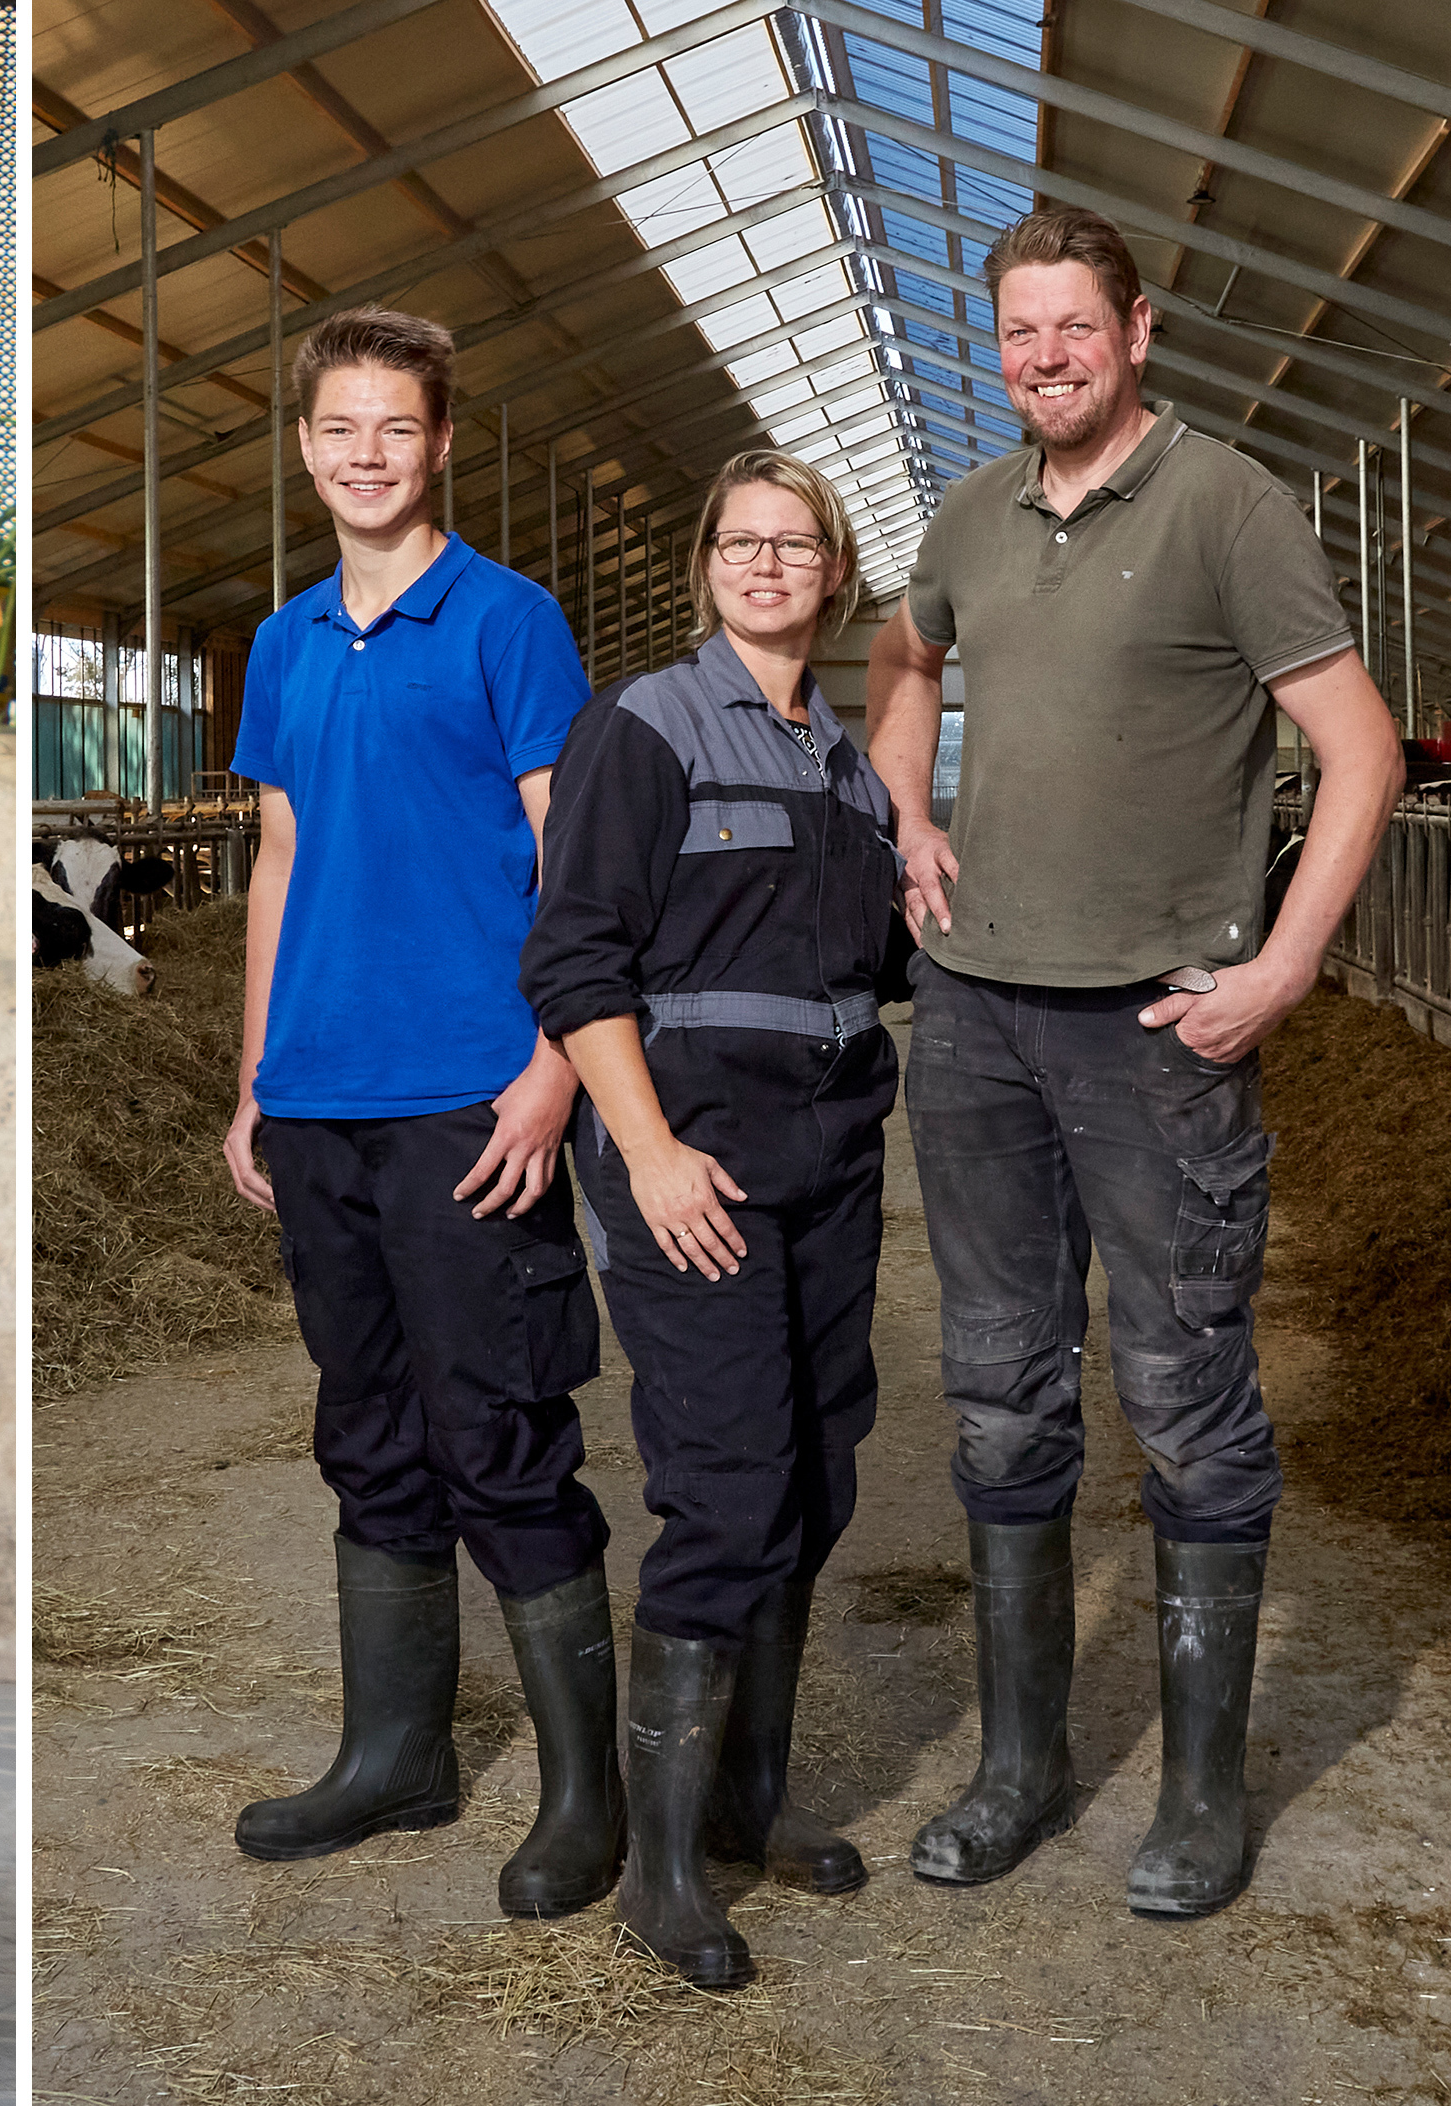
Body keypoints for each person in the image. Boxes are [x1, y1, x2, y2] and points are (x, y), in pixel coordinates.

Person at [863, 205, 1403, 1917]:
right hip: (970, 1022)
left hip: (1154, 1027)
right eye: (1015, 334)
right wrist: (902, 816)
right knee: (1001, 1386)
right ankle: (1017, 1768)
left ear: (1136, 329)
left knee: (1181, 1397)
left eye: (1069, 331)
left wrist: (1288, 962)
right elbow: (897, 660)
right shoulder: (966, 514)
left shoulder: (1225, 506)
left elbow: (1359, 746)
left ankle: (1194, 1795)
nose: (1041, 359)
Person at [218, 306, 615, 1919]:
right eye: (338, 428)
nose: (365, 453)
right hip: (320, 1099)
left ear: (440, 441)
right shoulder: (284, 638)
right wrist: (253, 1080)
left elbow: (574, 864)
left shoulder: (505, 622)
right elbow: (276, 855)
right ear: (302, 445)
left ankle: (587, 1790)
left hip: (470, 1093)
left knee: (497, 1431)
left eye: (395, 427)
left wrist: (552, 1068)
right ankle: (396, 1751)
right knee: (365, 1428)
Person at [521, 452, 899, 1990]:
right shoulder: (646, 726)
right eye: (740, 541)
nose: (764, 563)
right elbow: (573, 959)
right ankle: (663, 1869)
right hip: (697, 1164)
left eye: (792, 543)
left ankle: (747, 1792)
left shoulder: (849, 765)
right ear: (706, 564)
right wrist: (650, 1150)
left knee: (815, 1473)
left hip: (831, 1160)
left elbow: (887, 970)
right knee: (730, 1483)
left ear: (834, 572)